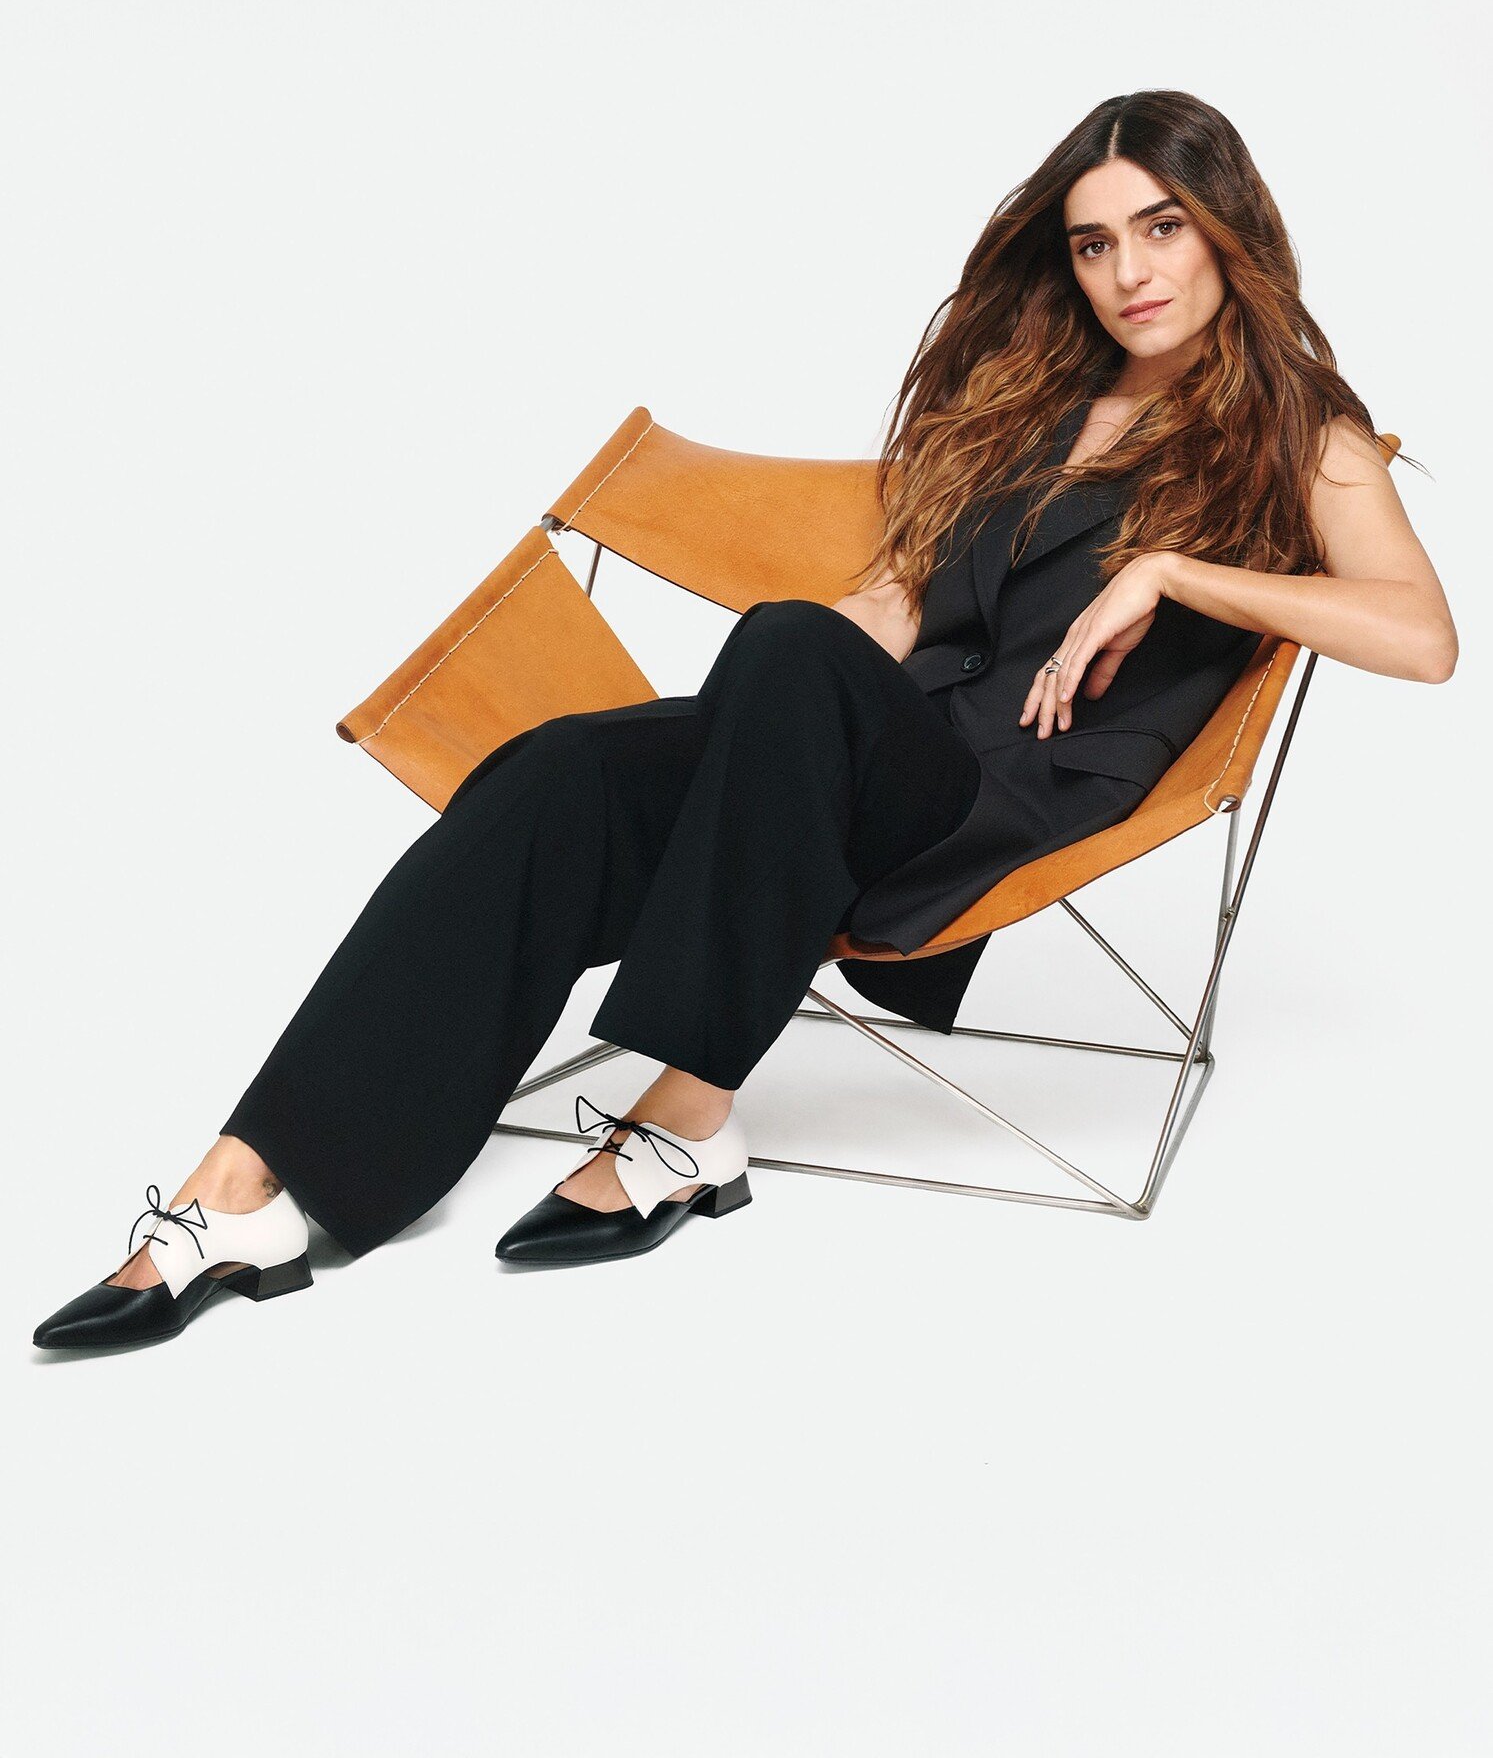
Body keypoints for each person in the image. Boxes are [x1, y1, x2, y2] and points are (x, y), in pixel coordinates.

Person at [32, 88, 1458, 1355]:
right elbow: (891, 608)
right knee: (559, 770)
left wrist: (1171, 572)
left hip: (992, 807)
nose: (1129, 273)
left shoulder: (1302, 434)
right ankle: (244, 1188)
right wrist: (713, 767)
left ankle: (688, 1105)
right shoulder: (1027, 407)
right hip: (852, 768)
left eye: (1160, 230)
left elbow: (1424, 637)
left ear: (1225, 232)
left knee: (780, 654)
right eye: (1094, 244)